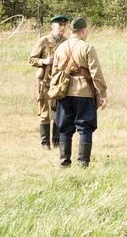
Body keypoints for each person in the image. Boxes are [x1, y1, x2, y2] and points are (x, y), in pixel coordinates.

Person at [52, 17, 107, 167]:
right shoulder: (87, 47)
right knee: (85, 127)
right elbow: (96, 73)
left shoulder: (60, 48)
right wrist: (102, 93)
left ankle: (64, 163)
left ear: (71, 31)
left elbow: (55, 73)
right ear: (83, 31)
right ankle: (83, 164)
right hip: (84, 92)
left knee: (64, 128)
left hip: (63, 93)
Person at [28, 15, 68, 150]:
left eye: (64, 25)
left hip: (60, 82)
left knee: (58, 112)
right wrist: (43, 61)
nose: (62, 28)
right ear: (53, 26)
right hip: (45, 82)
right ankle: (45, 144)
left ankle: (56, 141)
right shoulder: (43, 41)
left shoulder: (66, 42)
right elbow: (31, 59)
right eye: (59, 25)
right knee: (45, 113)